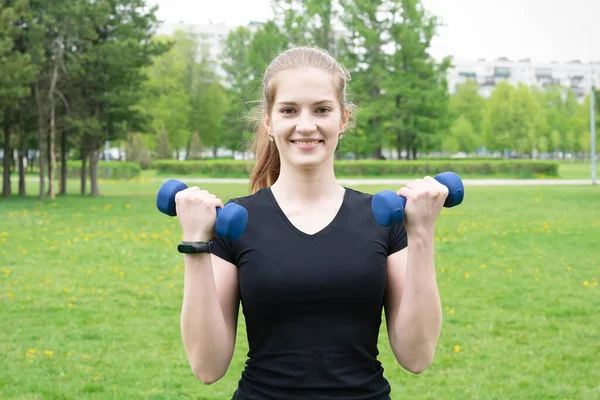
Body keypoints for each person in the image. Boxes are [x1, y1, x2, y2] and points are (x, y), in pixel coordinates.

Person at [174, 46, 448, 400]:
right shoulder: (236, 222)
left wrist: (422, 233)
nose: (306, 125)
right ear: (270, 122)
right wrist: (196, 243)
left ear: (343, 119)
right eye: (289, 110)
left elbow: (417, 356)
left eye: (322, 109)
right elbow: (207, 367)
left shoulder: (382, 220)